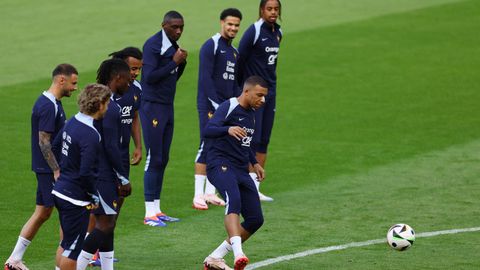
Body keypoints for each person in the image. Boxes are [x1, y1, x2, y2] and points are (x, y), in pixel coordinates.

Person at [4, 64, 78, 270]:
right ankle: (63, 265)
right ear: (61, 80)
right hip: (49, 170)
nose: (75, 88)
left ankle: (14, 260)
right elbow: (43, 141)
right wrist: (56, 170)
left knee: (43, 212)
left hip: (45, 168)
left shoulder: (52, 102)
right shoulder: (48, 105)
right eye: (73, 83)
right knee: (66, 214)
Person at [85, 47, 144, 267]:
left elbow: (135, 117)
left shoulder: (134, 89)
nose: (135, 74)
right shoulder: (101, 96)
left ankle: (102, 249)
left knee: (115, 205)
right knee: (99, 207)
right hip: (104, 160)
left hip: (120, 156)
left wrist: (138, 145)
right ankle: (88, 248)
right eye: (131, 69)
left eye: (138, 69)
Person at [202, 76, 267, 270]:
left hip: (240, 169)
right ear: (246, 92)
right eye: (259, 95)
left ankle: (215, 257)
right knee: (234, 199)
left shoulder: (251, 114)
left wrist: (255, 163)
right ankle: (238, 254)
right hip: (220, 164)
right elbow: (208, 129)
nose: (262, 100)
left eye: (264, 97)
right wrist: (227, 129)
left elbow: (244, 142)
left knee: (256, 219)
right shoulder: (229, 105)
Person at [76, 59, 132, 270]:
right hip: (103, 175)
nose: (129, 83)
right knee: (106, 224)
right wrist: (123, 178)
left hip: (96, 172)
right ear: (118, 78)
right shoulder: (110, 108)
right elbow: (111, 147)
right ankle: (75, 266)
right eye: (127, 79)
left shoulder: (98, 104)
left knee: (107, 224)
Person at [51, 83, 112, 270]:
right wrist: (92, 195)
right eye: (107, 103)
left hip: (60, 191)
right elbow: (86, 172)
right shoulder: (91, 134)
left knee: (65, 243)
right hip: (75, 198)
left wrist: (63, 170)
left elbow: (54, 146)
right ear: (99, 104)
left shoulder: (72, 121)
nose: (108, 107)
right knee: (73, 248)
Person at [140, 10, 188, 226]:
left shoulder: (172, 45)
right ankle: (149, 213)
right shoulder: (153, 45)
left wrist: (179, 63)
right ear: (164, 25)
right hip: (152, 107)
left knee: (163, 158)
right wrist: (175, 62)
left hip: (166, 106)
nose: (178, 31)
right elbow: (148, 78)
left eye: (181, 27)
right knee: (153, 156)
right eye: (174, 27)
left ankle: (157, 209)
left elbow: (172, 75)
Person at [193, 8, 243, 210]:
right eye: (229, 24)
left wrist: (236, 105)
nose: (233, 28)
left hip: (226, 106)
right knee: (206, 144)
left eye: (236, 25)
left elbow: (235, 83)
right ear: (222, 22)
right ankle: (198, 194)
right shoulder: (211, 45)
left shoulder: (234, 51)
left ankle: (210, 192)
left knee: (219, 147)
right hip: (210, 105)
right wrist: (217, 105)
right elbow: (205, 79)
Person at [237, 0, 283, 202]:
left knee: (264, 140)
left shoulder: (278, 33)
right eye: (269, 9)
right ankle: (244, 187)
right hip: (254, 95)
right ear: (262, 10)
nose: (273, 12)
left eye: (276, 9)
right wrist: (241, 90)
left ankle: (255, 188)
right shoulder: (254, 31)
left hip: (270, 94)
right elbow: (240, 60)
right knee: (251, 140)